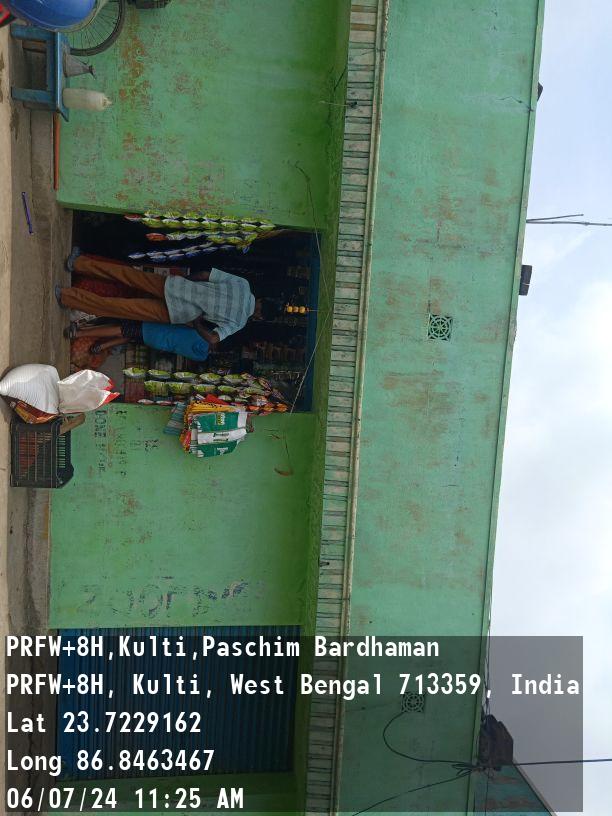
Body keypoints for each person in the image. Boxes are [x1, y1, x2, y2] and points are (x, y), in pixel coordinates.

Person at [56, 251, 278, 348]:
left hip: (174, 287)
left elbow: (205, 274)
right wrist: (197, 322)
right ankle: (66, 296)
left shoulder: (243, 285)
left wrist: (185, 282)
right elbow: (212, 338)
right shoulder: (239, 323)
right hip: (176, 313)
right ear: (259, 316)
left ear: (262, 299)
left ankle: (78, 263)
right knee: (118, 308)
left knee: (127, 275)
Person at [68, 320, 211, 362]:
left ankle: (79, 333)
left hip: (155, 328)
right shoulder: (202, 356)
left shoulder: (203, 333)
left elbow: (188, 323)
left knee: (121, 329)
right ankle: (102, 345)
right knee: (128, 335)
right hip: (157, 343)